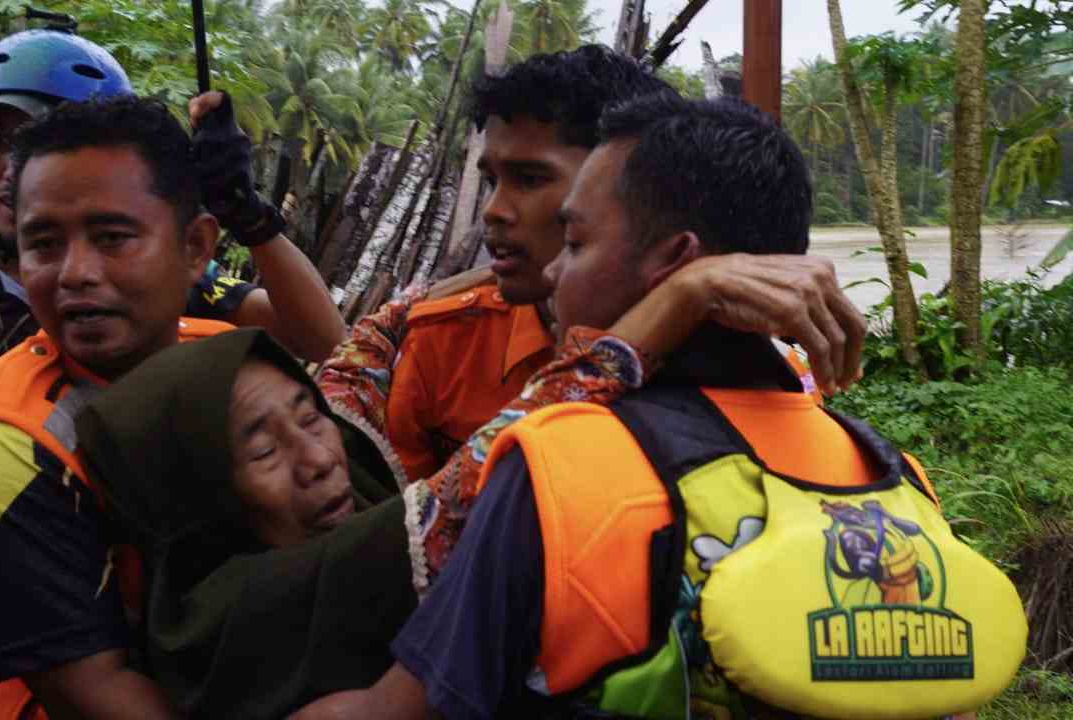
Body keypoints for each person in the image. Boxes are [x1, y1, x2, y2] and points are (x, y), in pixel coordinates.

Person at [294, 96, 1025, 720]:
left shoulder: (560, 465)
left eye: (575, 243)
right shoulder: (894, 479)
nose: (553, 270)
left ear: (676, 259)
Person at [318, 44, 864, 486]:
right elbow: (401, 544)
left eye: (531, 179)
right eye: (491, 180)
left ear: (618, 178)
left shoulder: (757, 373)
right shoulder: (439, 338)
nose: (493, 211)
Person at [0, 26, 343, 451]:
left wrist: (246, 214)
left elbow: (323, 343)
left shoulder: (157, 279)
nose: (15, 169)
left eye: (45, 142)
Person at [0, 96, 235, 719]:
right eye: (44, 243)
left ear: (195, 247)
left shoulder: (228, 363)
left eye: (112, 237)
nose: (75, 273)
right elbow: (100, 700)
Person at [75, 327, 418, 718]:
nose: (320, 461)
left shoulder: (341, 504)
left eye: (310, 419)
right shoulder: (230, 625)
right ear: (199, 500)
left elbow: (362, 361)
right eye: (265, 451)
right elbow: (450, 511)